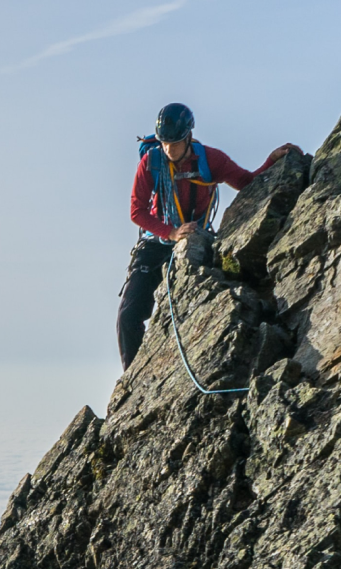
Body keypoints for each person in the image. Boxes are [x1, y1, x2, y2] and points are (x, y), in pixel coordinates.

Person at [117, 102, 300, 369]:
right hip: (156, 244)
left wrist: (270, 161)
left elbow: (247, 184)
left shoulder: (210, 160)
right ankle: (131, 382)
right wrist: (171, 232)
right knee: (128, 316)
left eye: (175, 142)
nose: (169, 149)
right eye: (164, 142)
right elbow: (137, 211)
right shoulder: (151, 163)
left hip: (196, 242)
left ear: (189, 136)